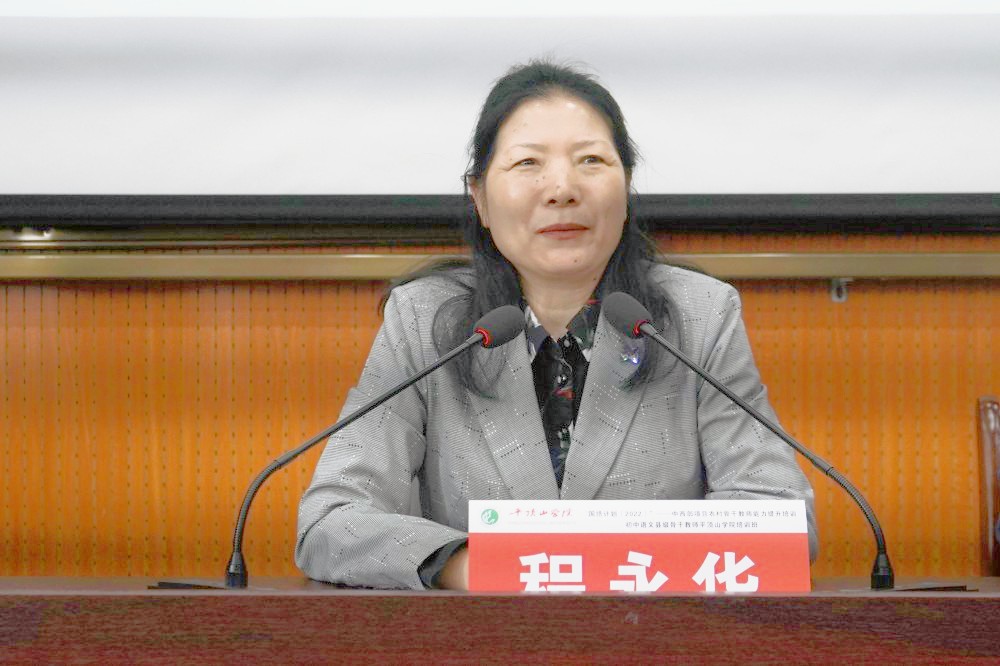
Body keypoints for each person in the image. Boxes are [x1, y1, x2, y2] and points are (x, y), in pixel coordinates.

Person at [296, 60, 818, 590]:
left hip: (653, 628)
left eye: (591, 160)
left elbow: (783, 517)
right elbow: (332, 522)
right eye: (528, 163)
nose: (562, 189)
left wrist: (612, 569)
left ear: (626, 186)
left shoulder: (699, 315)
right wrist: (478, 566)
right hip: (485, 629)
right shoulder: (424, 320)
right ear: (480, 197)